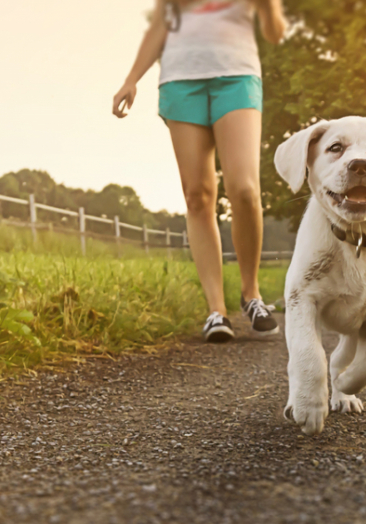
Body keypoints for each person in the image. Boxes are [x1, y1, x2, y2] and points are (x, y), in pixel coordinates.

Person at [113, 0, 287, 342]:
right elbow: (159, 27)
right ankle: (216, 311)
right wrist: (132, 79)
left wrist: (268, 8)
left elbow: (274, 32)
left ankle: (251, 295)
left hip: (237, 77)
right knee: (197, 195)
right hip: (180, 81)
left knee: (245, 189)